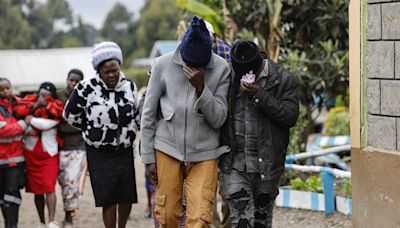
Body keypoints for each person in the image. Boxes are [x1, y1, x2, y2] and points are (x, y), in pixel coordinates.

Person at [140, 16, 231, 228]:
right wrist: (148, 159)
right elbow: (148, 113)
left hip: (205, 153)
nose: (193, 67)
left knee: (200, 218)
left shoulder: (221, 68)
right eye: (189, 62)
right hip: (167, 148)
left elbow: (219, 119)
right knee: (168, 215)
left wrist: (201, 88)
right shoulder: (162, 65)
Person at [219, 40, 300, 228]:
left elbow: (290, 117)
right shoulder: (229, 78)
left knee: (262, 223)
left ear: (257, 67)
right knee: (242, 222)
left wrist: (259, 95)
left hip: (267, 167)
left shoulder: (282, 79)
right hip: (234, 165)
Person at [63, 41, 140, 228]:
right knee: (108, 197)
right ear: (98, 70)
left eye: (115, 69)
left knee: (127, 195)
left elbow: (136, 114)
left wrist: (130, 131)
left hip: (124, 150)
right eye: (107, 71)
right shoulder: (85, 88)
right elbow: (70, 115)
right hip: (99, 153)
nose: (112, 74)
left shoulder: (129, 86)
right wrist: (92, 130)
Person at [14, 82, 64, 228]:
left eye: (47, 96)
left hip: (49, 154)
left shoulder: (56, 106)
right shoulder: (30, 102)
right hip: (31, 155)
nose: (43, 98)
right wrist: (34, 107)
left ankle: (51, 221)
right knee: (37, 191)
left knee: (49, 187)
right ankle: (41, 222)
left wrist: (31, 119)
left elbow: (47, 124)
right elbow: (18, 114)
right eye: (41, 94)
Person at [57, 69, 87, 228]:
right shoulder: (58, 96)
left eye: (77, 81)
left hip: (79, 146)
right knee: (63, 183)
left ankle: (69, 217)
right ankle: (68, 212)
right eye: (71, 80)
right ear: (67, 79)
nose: (73, 84)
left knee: (72, 182)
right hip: (61, 146)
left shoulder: (84, 97)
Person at [0, 78, 28, 228]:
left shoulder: (19, 103)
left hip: (16, 160)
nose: (6, 92)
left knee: (13, 194)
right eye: (2, 89)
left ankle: (12, 225)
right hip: (1, 160)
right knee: (2, 198)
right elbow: (3, 130)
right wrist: (23, 124)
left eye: (8, 88)